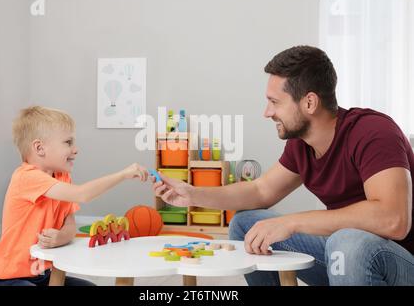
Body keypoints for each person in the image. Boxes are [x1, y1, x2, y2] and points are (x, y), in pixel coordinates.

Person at [153, 46, 414, 286]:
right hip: (343, 257)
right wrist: (193, 194)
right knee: (247, 224)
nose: (267, 112)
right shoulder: (302, 144)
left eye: (275, 102)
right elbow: (260, 191)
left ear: (309, 103)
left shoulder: (373, 132)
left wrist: (293, 222)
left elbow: (393, 220)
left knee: (347, 241)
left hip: (397, 263)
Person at [0, 106, 149, 286]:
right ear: (39, 148)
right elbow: (82, 194)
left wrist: (62, 237)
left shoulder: (62, 178)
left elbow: (70, 225)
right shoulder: (26, 177)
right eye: (68, 142)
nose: (75, 149)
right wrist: (122, 174)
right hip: (6, 278)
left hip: (43, 275)